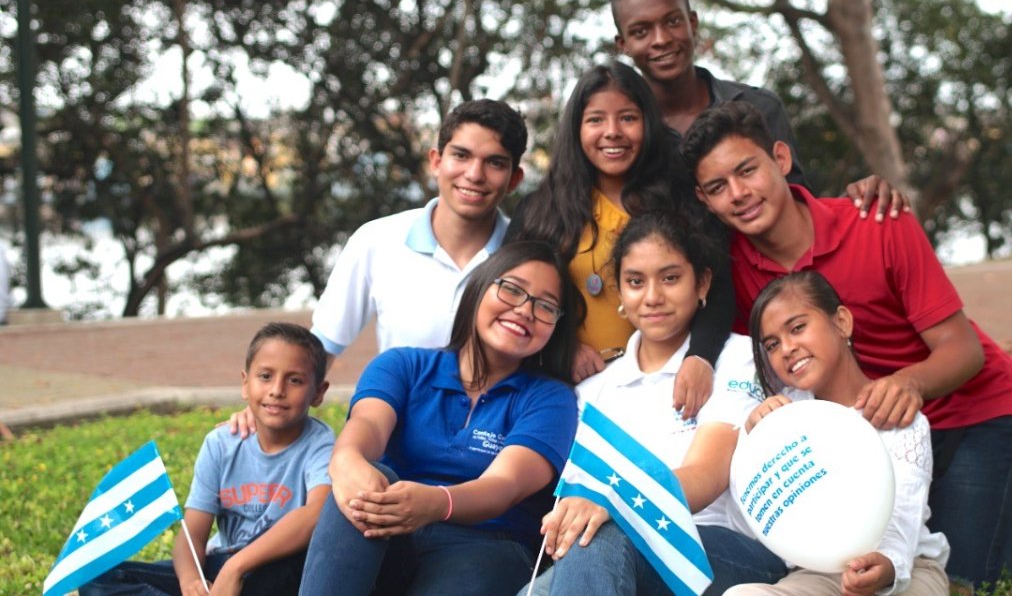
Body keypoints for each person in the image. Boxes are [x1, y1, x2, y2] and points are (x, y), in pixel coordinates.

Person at [680, 101, 1012, 589]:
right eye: (718, 187)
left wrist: (907, 382)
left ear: (781, 160)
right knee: (870, 550)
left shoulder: (876, 221)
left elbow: (965, 350)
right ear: (704, 200)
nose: (739, 194)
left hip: (975, 410)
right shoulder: (733, 269)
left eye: (748, 170)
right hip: (869, 428)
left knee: (959, 577)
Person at [230, 98, 529, 438]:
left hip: (491, 443)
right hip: (393, 436)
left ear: (514, 178)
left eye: (494, 163)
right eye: (461, 155)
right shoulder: (377, 241)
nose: (474, 174)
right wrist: (263, 410)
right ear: (436, 160)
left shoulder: (527, 257)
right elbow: (322, 346)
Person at [297, 241, 581, 596]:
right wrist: (346, 460)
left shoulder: (551, 399)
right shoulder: (402, 365)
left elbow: (505, 485)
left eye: (546, 306)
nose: (525, 310)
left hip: (488, 544)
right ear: (479, 289)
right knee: (366, 483)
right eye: (512, 289)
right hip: (389, 531)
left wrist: (437, 503)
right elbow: (367, 426)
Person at [527, 212, 789, 595]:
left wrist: (617, 502)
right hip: (614, 555)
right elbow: (577, 506)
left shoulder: (738, 358)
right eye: (635, 282)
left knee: (607, 534)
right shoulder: (594, 392)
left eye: (670, 278)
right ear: (619, 290)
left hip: (726, 548)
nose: (652, 297)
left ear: (702, 282)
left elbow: (707, 475)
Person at [505, 61, 733, 418]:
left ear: (648, 122)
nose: (612, 132)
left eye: (627, 118)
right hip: (568, 390)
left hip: (672, 383)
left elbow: (719, 287)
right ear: (576, 128)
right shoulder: (541, 209)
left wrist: (700, 356)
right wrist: (562, 350)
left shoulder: (682, 198)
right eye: (596, 120)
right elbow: (509, 296)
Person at [608, 0, 907, 220]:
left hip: (765, 283)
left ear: (693, 23)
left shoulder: (758, 107)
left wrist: (856, 197)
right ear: (623, 45)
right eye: (641, 32)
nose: (660, 39)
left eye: (672, 22)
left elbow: (799, 211)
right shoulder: (621, 134)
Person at [728, 271, 950, 596]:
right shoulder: (782, 418)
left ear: (842, 321)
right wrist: (755, 443)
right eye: (772, 344)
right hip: (819, 575)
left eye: (798, 327)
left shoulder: (893, 411)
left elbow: (903, 513)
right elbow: (755, 517)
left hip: (907, 570)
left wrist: (886, 566)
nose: (787, 348)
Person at [82, 322, 334, 596]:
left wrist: (235, 568)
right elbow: (192, 536)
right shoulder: (220, 444)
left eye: (294, 380)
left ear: (318, 392)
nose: (277, 389)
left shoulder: (320, 444)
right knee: (98, 578)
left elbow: (316, 514)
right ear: (245, 383)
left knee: (289, 569)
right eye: (265, 376)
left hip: (274, 567)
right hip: (219, 566)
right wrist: (192, 583)